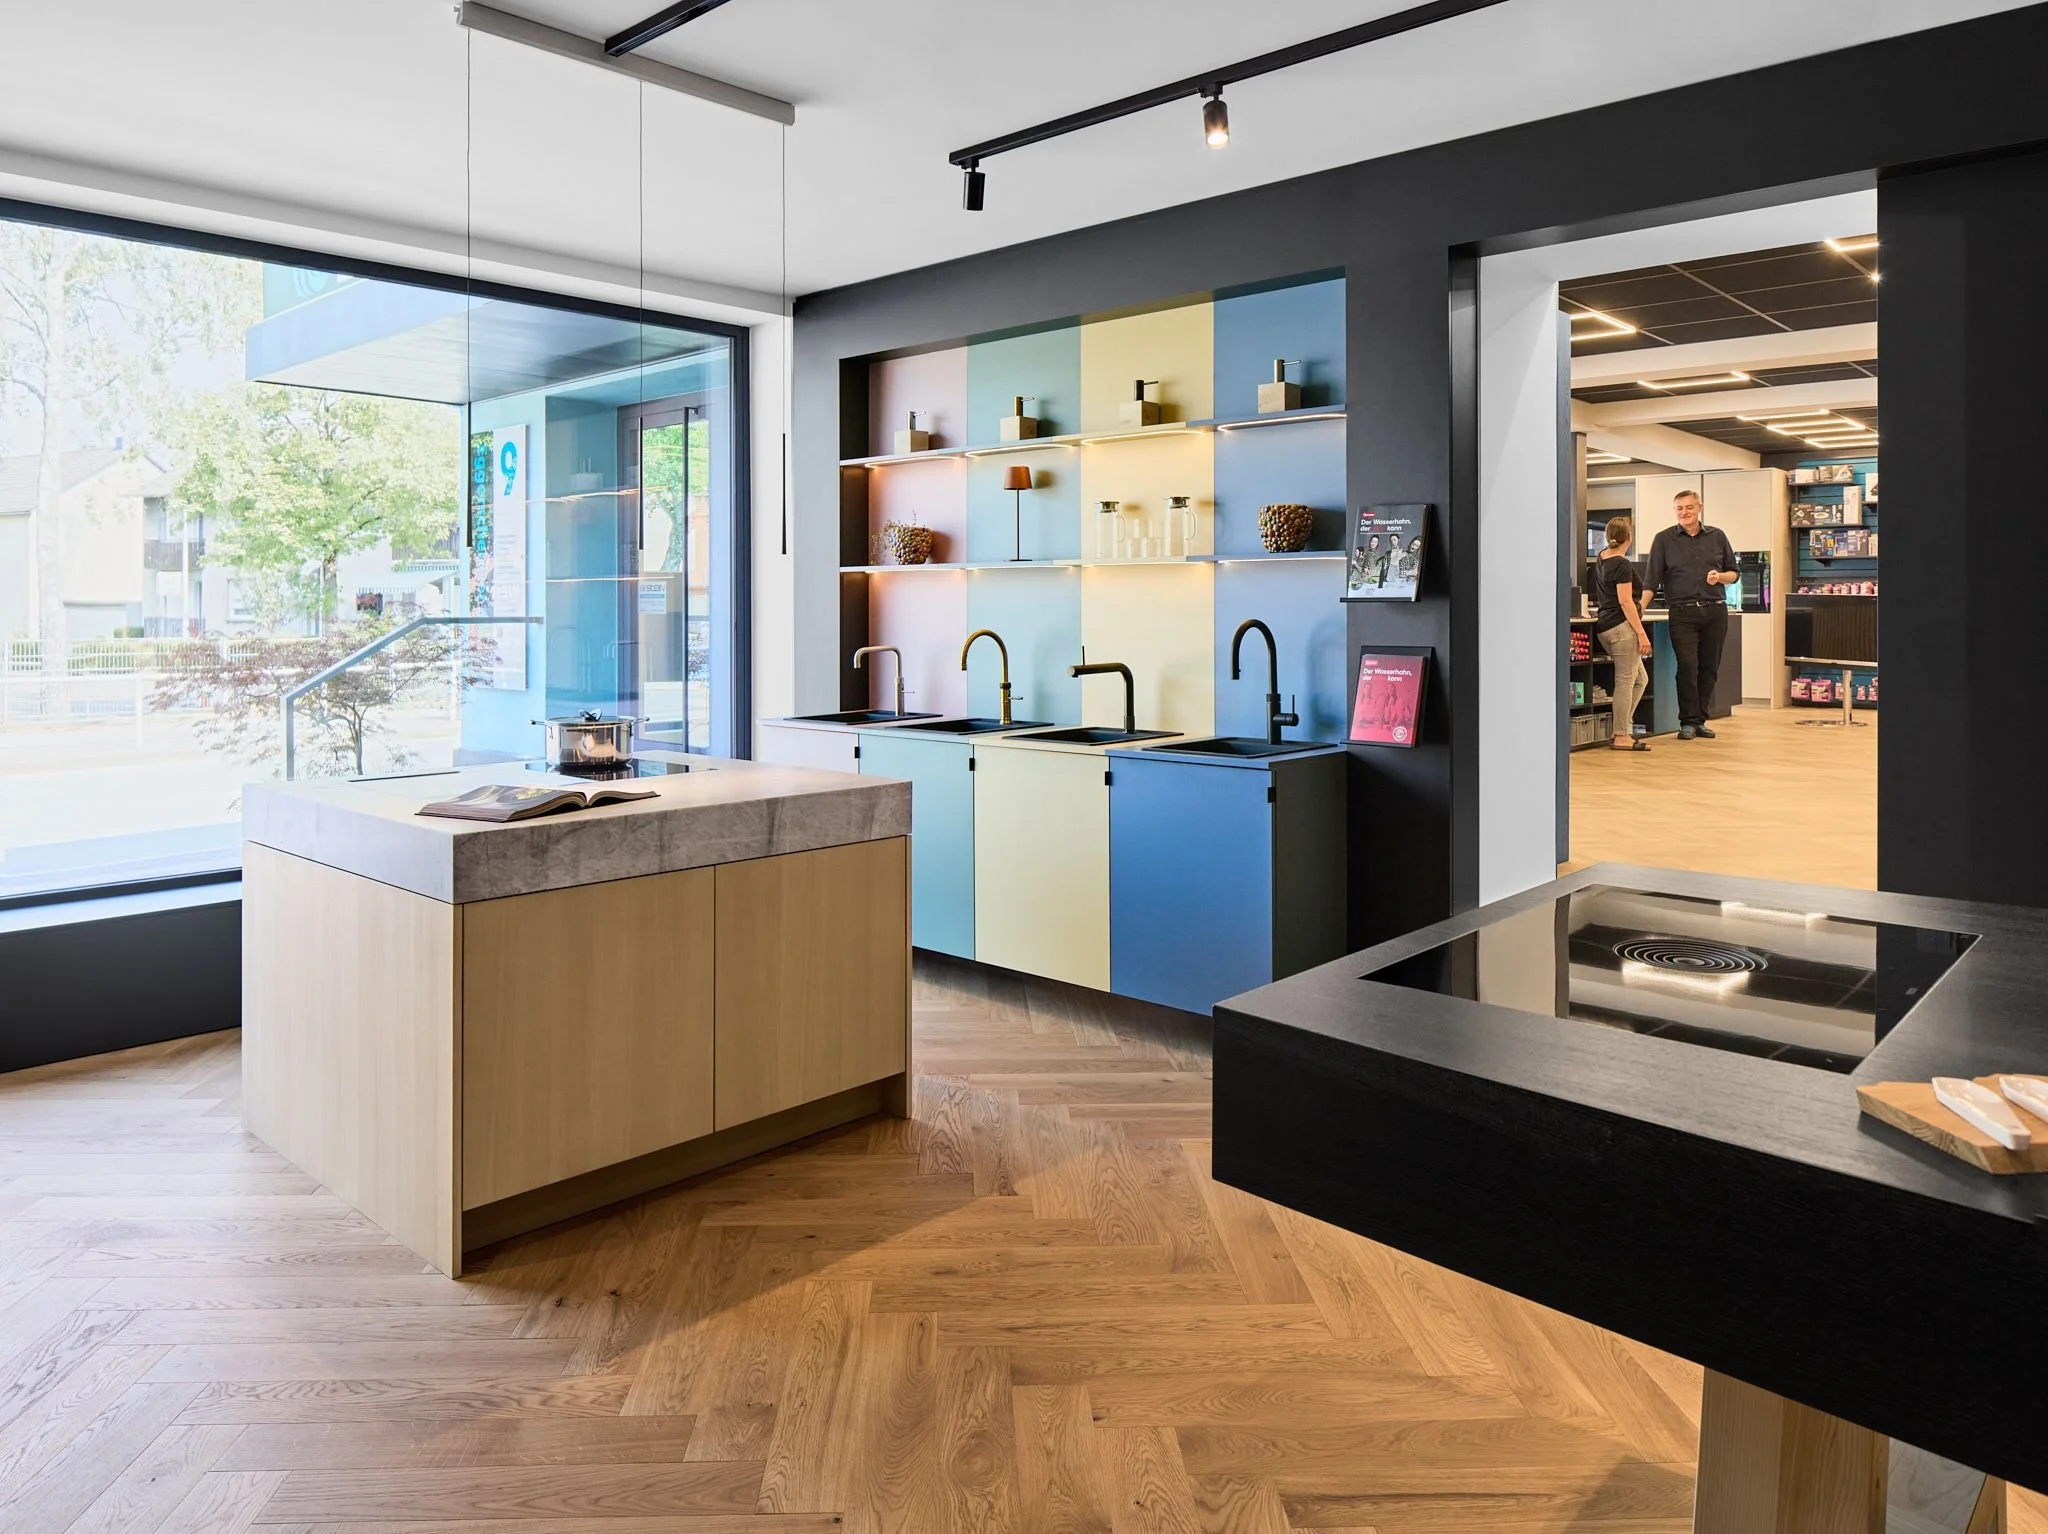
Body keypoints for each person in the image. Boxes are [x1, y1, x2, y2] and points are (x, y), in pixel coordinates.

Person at [1643, 488, 1739, 740]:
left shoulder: (1717, 537)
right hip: (1682, 613)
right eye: (1679, 508)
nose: (1684, 512)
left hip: (1715, 611)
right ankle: (1687, 721)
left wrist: (1720, 577)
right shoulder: (1663, 539)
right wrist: (1638, 610)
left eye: (1689, 507)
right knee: (1687, 666)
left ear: (1700, 507)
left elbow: (1734, 573)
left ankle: (1700, 721)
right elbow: (1651, 581)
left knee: (1709, 668)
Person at [1590, 517, 1651, 752]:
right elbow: (1625, 602)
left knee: (1640, 680)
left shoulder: (1602, 556)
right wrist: (1641, 634)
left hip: (1605, 627)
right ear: (1630, 538)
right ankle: (1621, 735)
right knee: (1626, 682)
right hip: (1622, 628)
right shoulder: (1622, 564)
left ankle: (1622, 726)